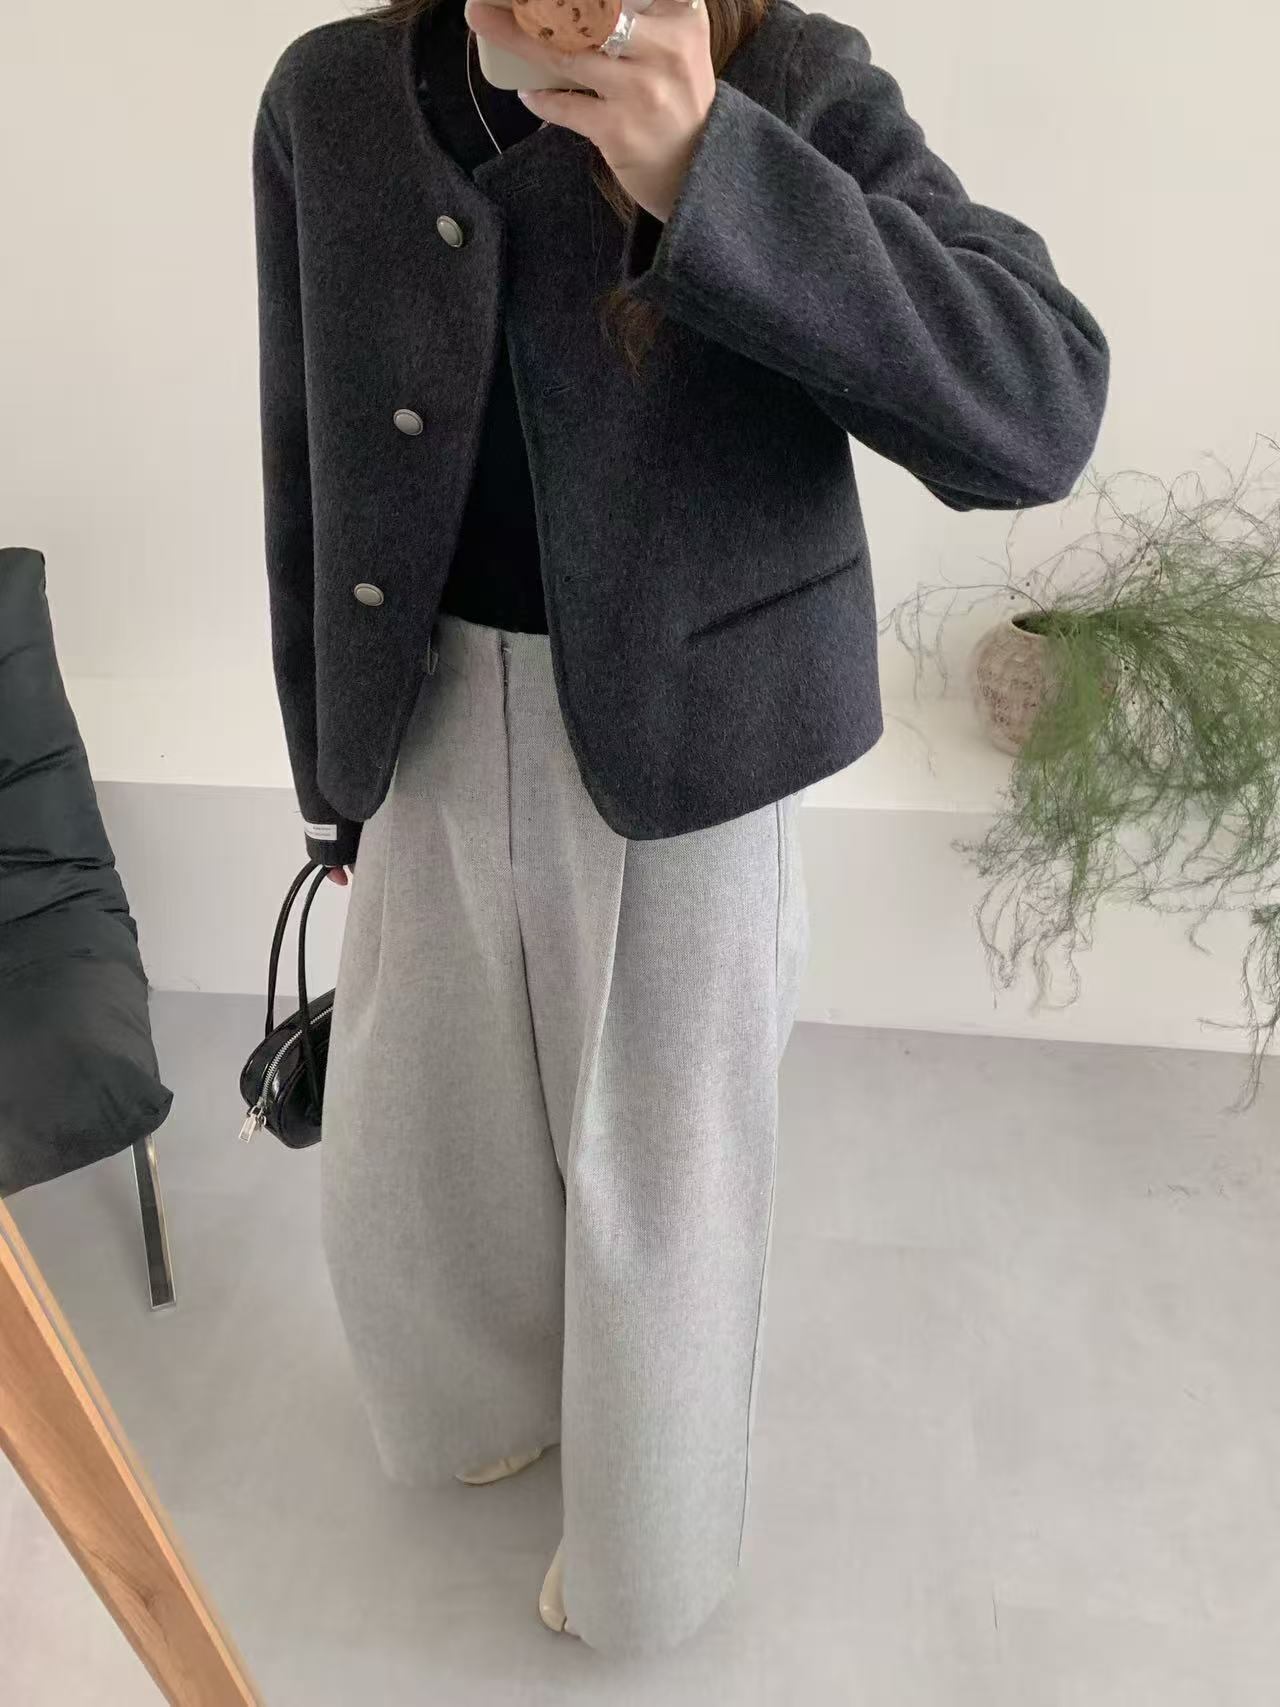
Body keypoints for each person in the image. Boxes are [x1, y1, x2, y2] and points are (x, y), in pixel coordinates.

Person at [252, 0, 1108, 1655]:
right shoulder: (331, 94)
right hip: (420, 708)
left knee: (662, 1191)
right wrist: (326, 772)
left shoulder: (784, 76)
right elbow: (306, 448)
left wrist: (711, 170)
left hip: (698, 736)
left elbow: (1039, 404)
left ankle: (655, 1559)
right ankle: (481, 1404)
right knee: (417, 1152)